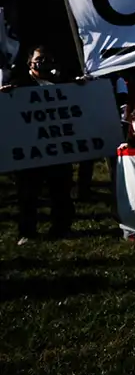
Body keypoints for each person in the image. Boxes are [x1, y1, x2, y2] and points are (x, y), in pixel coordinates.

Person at [1, 46, 78, 245]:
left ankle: (61, 227)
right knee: (28, 194)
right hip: (30, 151)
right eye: (39, 58)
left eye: (47, 58)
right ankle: (27, 231)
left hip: (58, 149)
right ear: (30, 62)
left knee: (61, 191)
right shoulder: (18, 86)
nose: (43, 62)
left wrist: (83, 88)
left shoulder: (61, 83)